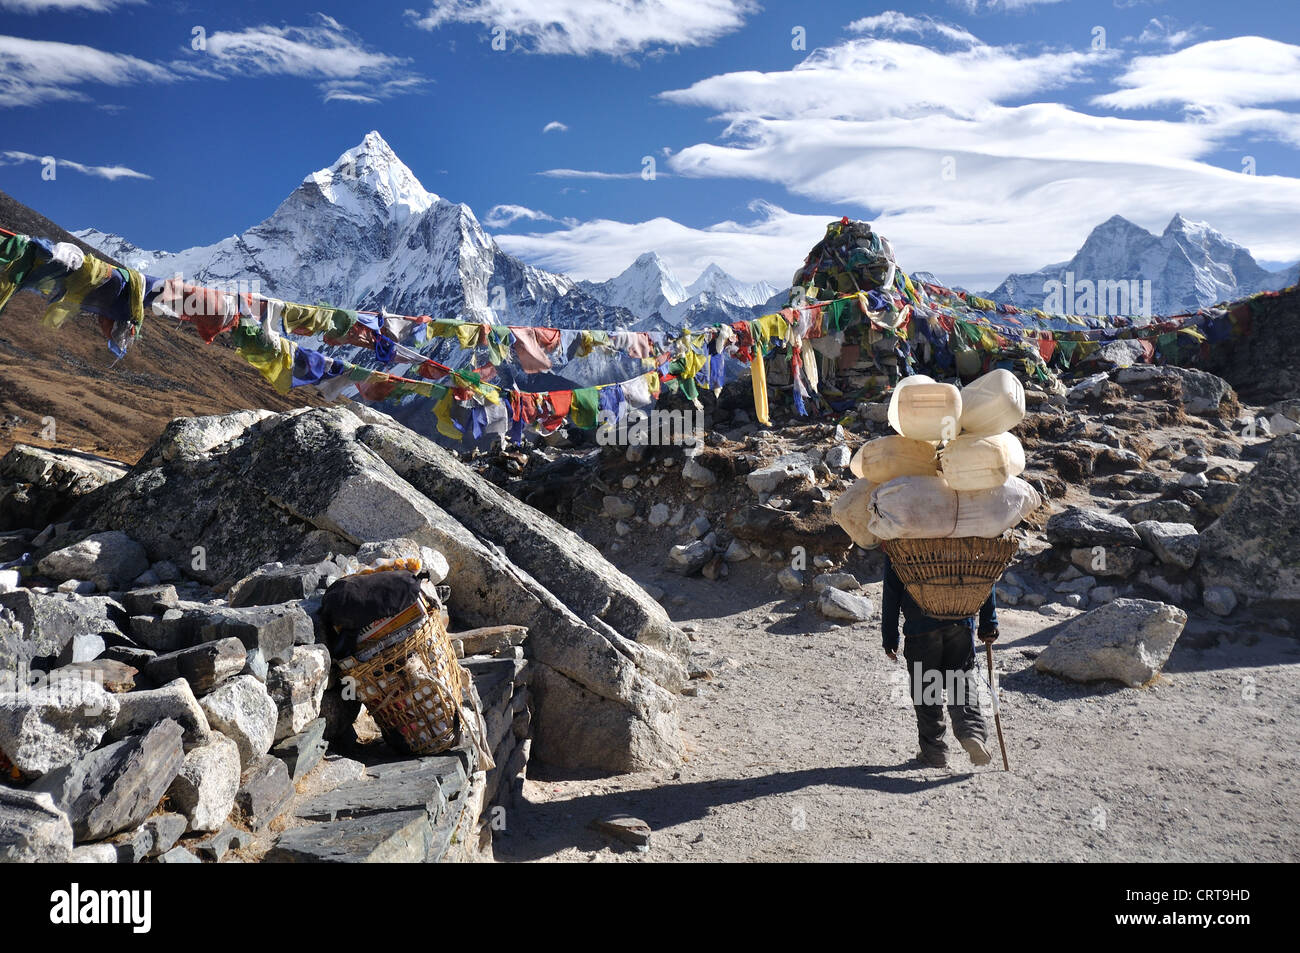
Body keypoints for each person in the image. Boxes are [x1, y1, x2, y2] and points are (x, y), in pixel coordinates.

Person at [881, 553, 999, 768]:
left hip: (920, 624)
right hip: (961, 618)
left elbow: (891, 590)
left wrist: (890, 636)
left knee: (926, 686)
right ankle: (971, 732)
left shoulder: (902, 537)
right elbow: (985, 577)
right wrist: (988, 622)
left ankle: (934, 752)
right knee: (960, 675)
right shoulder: (964, 535)